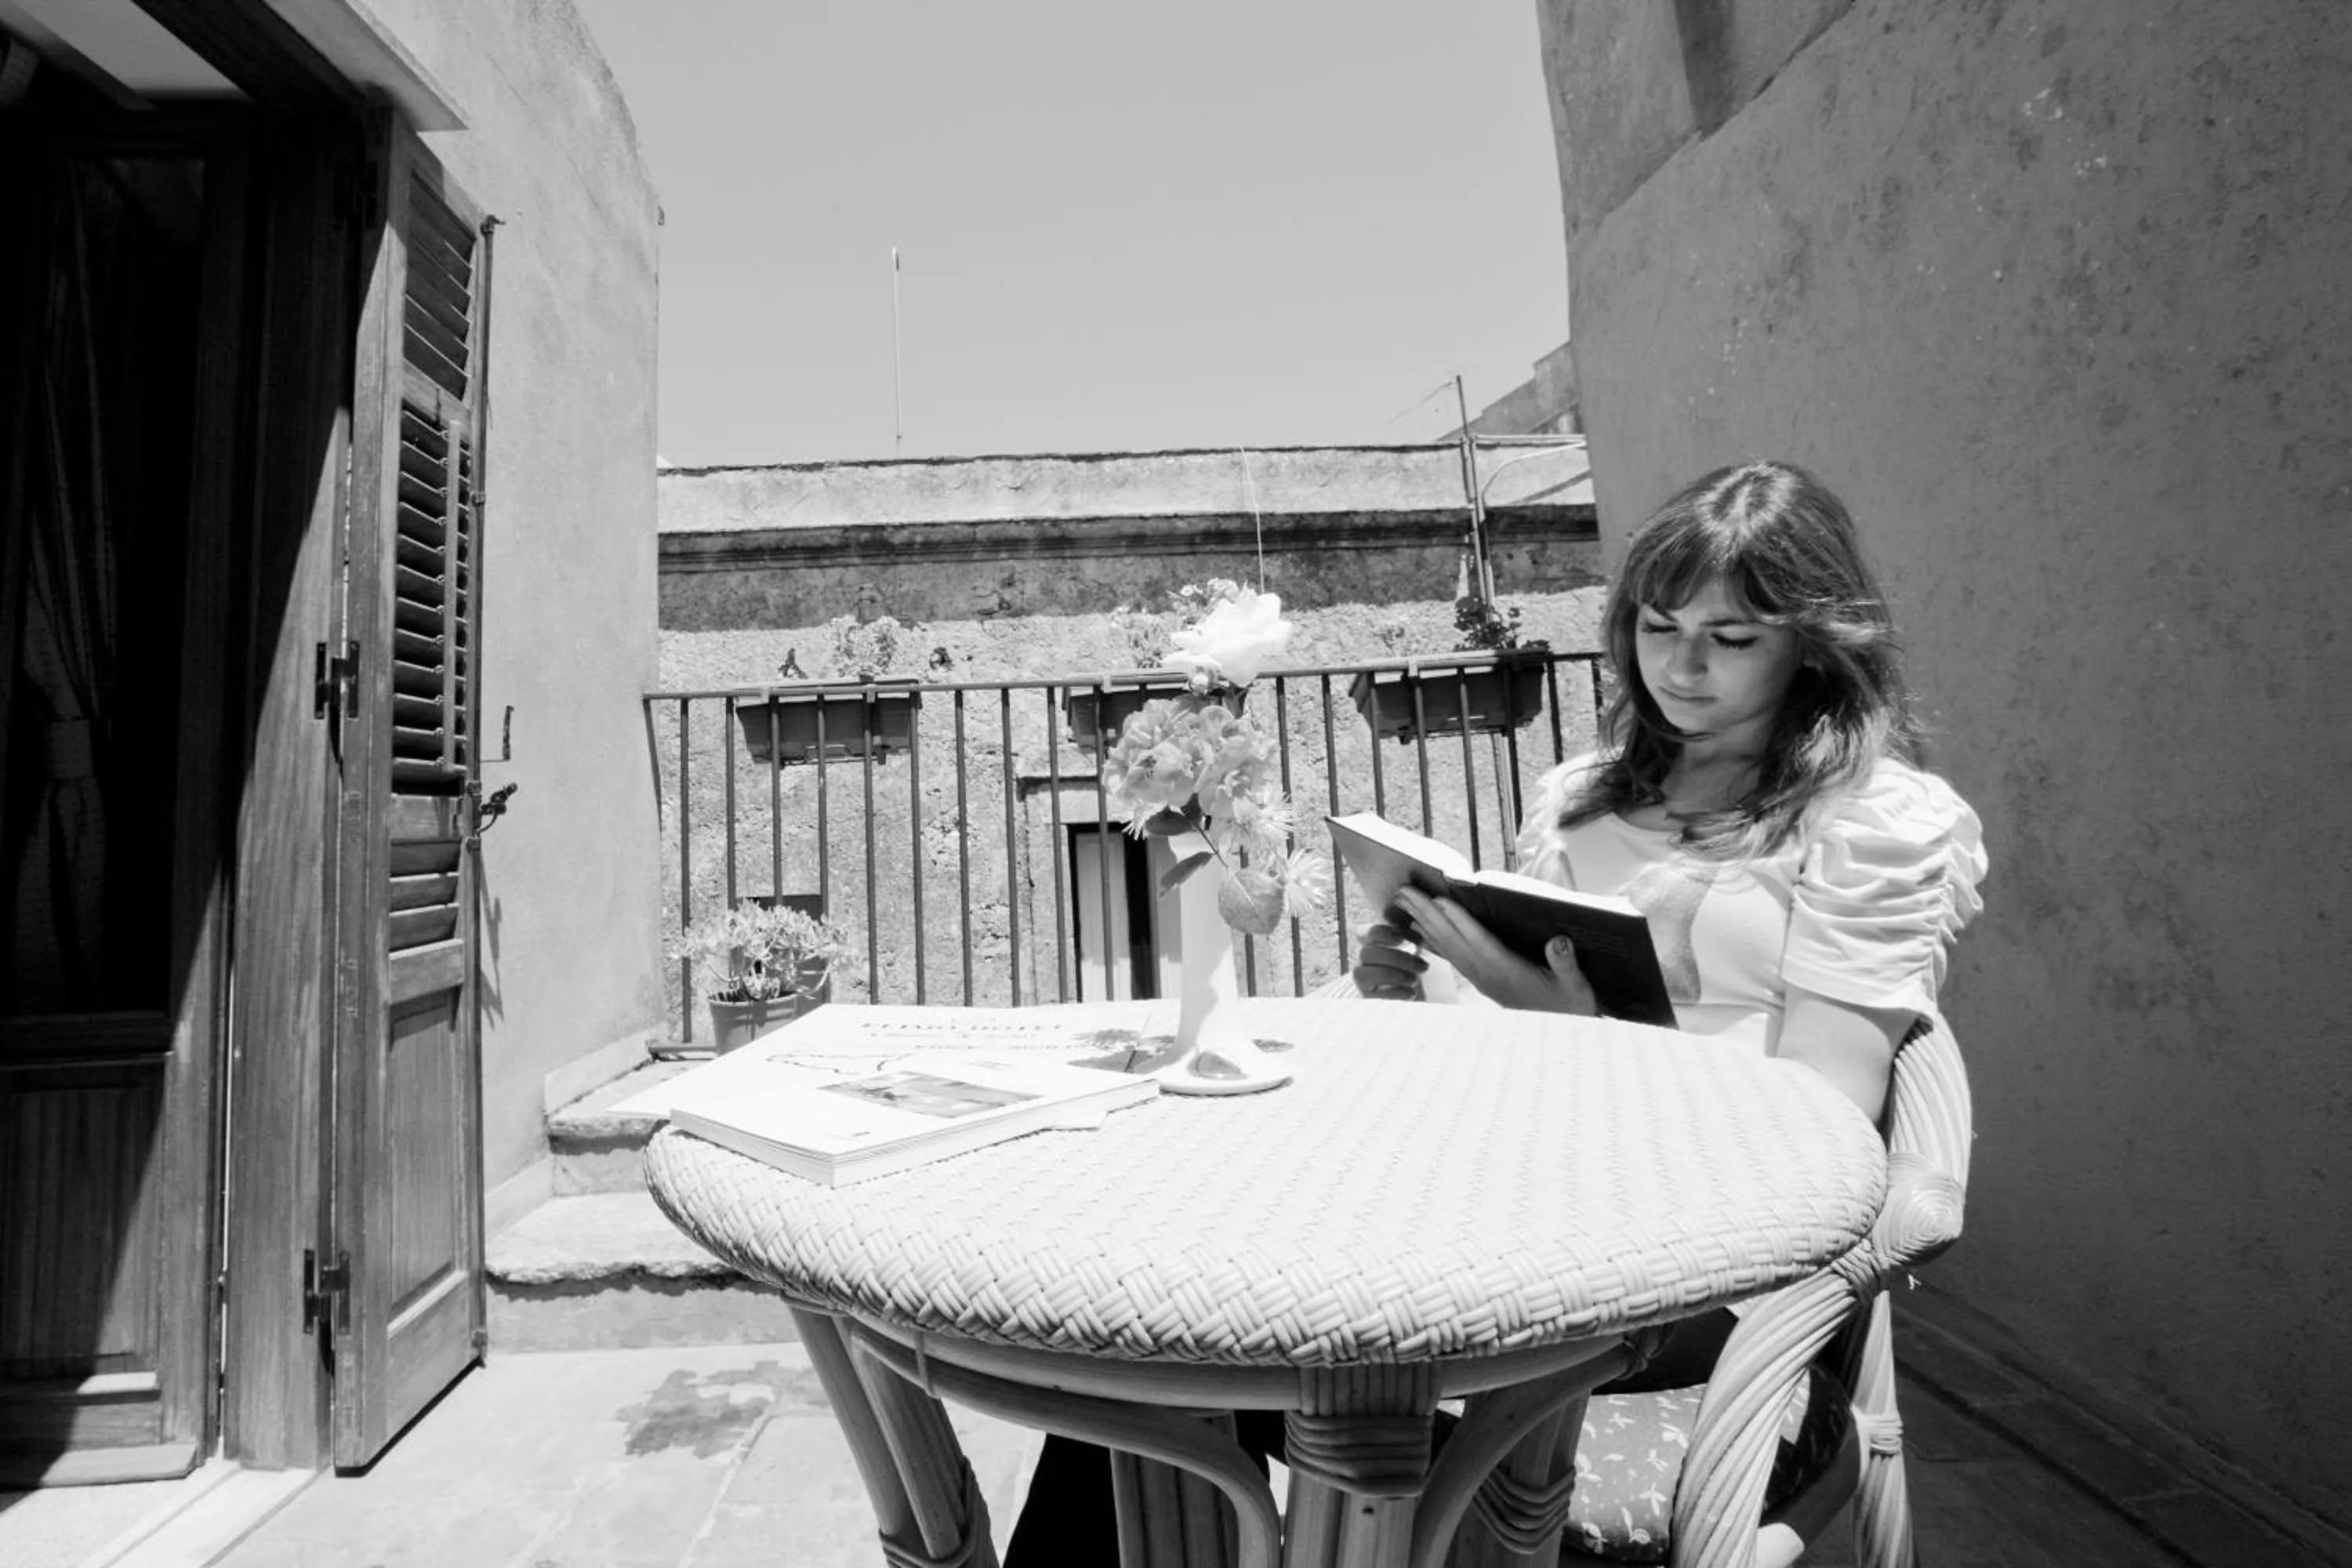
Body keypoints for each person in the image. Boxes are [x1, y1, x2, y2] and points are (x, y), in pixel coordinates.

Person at [1004, 459, 1987, 1563]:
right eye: (1659, 627)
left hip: (1703, 1261)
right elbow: (1502, 1049)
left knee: (1221, 1328)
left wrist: (1574, 1037)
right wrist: (1424, 980)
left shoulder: (1874, 823)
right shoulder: (1582, 800)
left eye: (1733, 637)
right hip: (1517, 1199)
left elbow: (1821, 1126)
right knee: (1151, 1333)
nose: (1683, 667)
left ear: (1810, 643)